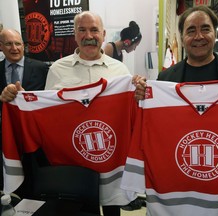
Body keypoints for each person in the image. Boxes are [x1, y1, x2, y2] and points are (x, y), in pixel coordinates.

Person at [0, 11, 141, 216]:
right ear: (74, 35)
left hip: (111, 159)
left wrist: (140, 93)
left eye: (94, 30)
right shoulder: (58, 69)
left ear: (102, 34)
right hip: (74, 164)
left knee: (113, 208)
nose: (88, 35)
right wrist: (21, 101)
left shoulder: (120, 71)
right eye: (82, 30)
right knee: (80, 210)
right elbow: (46, 115)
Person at [0, 28, 49, 196]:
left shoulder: (41, 68)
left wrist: (27, 100)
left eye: (18, 43)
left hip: (36, 138)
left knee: (37, 181)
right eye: (8, 44)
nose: (14, 48)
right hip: (6, 138)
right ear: (1, 46)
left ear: (24, 45)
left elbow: (48, 102)